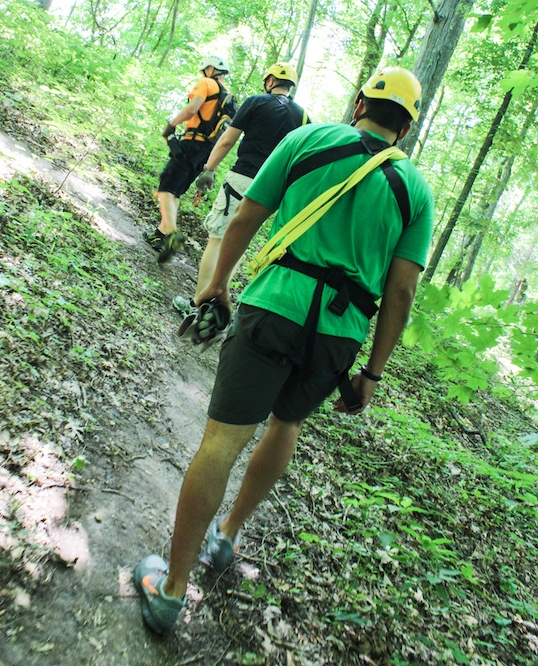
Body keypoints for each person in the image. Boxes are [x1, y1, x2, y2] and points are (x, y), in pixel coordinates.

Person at [133, 66, 434, 635]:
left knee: (223, 439)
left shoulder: (307, 140)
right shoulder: (414, 188)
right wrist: (372, 371)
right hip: (339, 334)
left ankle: (171, 592)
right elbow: (401, 290)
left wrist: (218, 283)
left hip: (275, 305)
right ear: (408, 126)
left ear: (359, 100)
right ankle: (226, 539)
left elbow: (248, 216)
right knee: (286, 423)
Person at [172, 62, 309, 315]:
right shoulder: (302, 117)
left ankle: (197, 306)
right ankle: (214, 305)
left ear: (270, 81)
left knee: (218, 240)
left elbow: (227, 140)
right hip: (271, 191)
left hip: (242, 179)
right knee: (239, 245)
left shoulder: (256, 102)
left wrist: (209, 169)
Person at [144, 55, 232, 263]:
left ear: (209, 69)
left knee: (166, 187)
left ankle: (173, 235)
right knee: (174, 191)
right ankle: (160, 234)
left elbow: (193, 108)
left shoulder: (206, 83)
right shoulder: (226, 94)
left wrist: (172, 125)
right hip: (206, 150)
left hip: (191, 142)